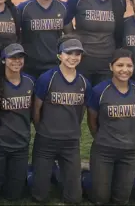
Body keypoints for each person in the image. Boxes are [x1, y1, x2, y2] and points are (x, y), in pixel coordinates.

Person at [31, 35, 92, 204]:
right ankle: (40, 174)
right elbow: (36, 109)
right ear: (59, 55)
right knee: (39, 196)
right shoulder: (46, 78)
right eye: (69, 53)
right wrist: (41, 129)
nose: (73, 57)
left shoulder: (84, 82)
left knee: (74, 198)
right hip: (46, 139)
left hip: (70, 141)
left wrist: (72, 129)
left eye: (77, 54)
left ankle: (65, 176)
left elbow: (81, 111)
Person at [87, 48, 135, 205]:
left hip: (129, 151)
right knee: (100, 198)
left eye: (129, 66)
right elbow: (92, 120)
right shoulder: (99, 90)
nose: (124, 70)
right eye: (120, 65)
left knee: (121, 199)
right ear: (111, 67)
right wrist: (102, 137)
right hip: (104, 150)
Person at [0, 43, 35, 201]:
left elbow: (34, 112)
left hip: (20, 146)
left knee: (14, 196)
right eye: (12, 57)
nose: (17, 61)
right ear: (3, 60)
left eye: (20, 57)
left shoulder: (31, 82)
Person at [64, 0, 126, 86]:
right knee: (80, 98)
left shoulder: (119, 0)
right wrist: (72, 37)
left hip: (107, 61)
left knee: (101, 99)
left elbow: (119, 27)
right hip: (82, 59)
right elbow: (65, 19)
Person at [18, 0, 71, 78]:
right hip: (29, 67)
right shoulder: (24, 8)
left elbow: (69, 36)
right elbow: (15, 36)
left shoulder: (63, 7)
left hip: (54, 66)